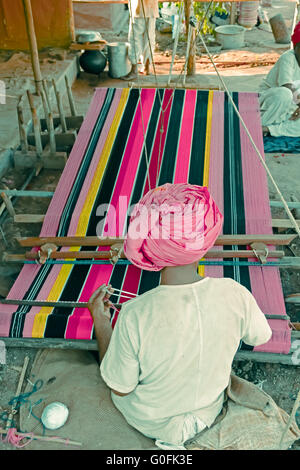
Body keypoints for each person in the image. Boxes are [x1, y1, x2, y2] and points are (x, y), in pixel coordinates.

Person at [88, 183, 272, 450]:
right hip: (207, 413)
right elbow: (261, 336)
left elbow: (120, 388)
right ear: (205, 240)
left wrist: (102, 323)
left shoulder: (134, 314)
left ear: (151, 246)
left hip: (147, 420)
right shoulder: (236, 294)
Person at [259, 21, 300, 137]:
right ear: (295, 46)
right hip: (270, 104)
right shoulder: (288, 57)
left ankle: (268, 129)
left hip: (291, 109)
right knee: (285, 94)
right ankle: (259, 127)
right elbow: (286, 85)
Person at [120, 0, 159, 80]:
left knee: (137, 39)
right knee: (147, 39)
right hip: (147, 8)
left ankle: (138, 69)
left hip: (143, 9)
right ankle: (145, 68)